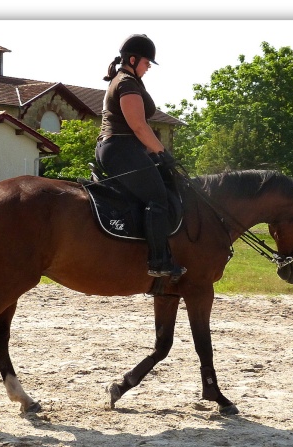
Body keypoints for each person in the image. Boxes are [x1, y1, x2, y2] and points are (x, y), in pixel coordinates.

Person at [96, 34, 186, 281]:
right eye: (147, 63)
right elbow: (138, 126)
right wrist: (162, 153)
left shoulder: (128, 80)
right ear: (133, 60)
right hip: (120, 149)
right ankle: (159, 261)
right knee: (157, 197)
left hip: (125, 149)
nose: (148, 68)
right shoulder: (126, 83)